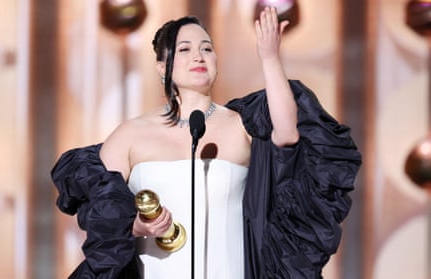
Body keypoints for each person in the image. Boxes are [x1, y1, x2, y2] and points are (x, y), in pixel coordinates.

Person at [51, 7, 362, 279]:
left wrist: (269, 57)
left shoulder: (240, 125)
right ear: (163, 66)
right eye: (184, 49)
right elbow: (98, 211)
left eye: (207, 48)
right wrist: (136, 227)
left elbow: (288, 135)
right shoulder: (131, 134)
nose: (198, 56)